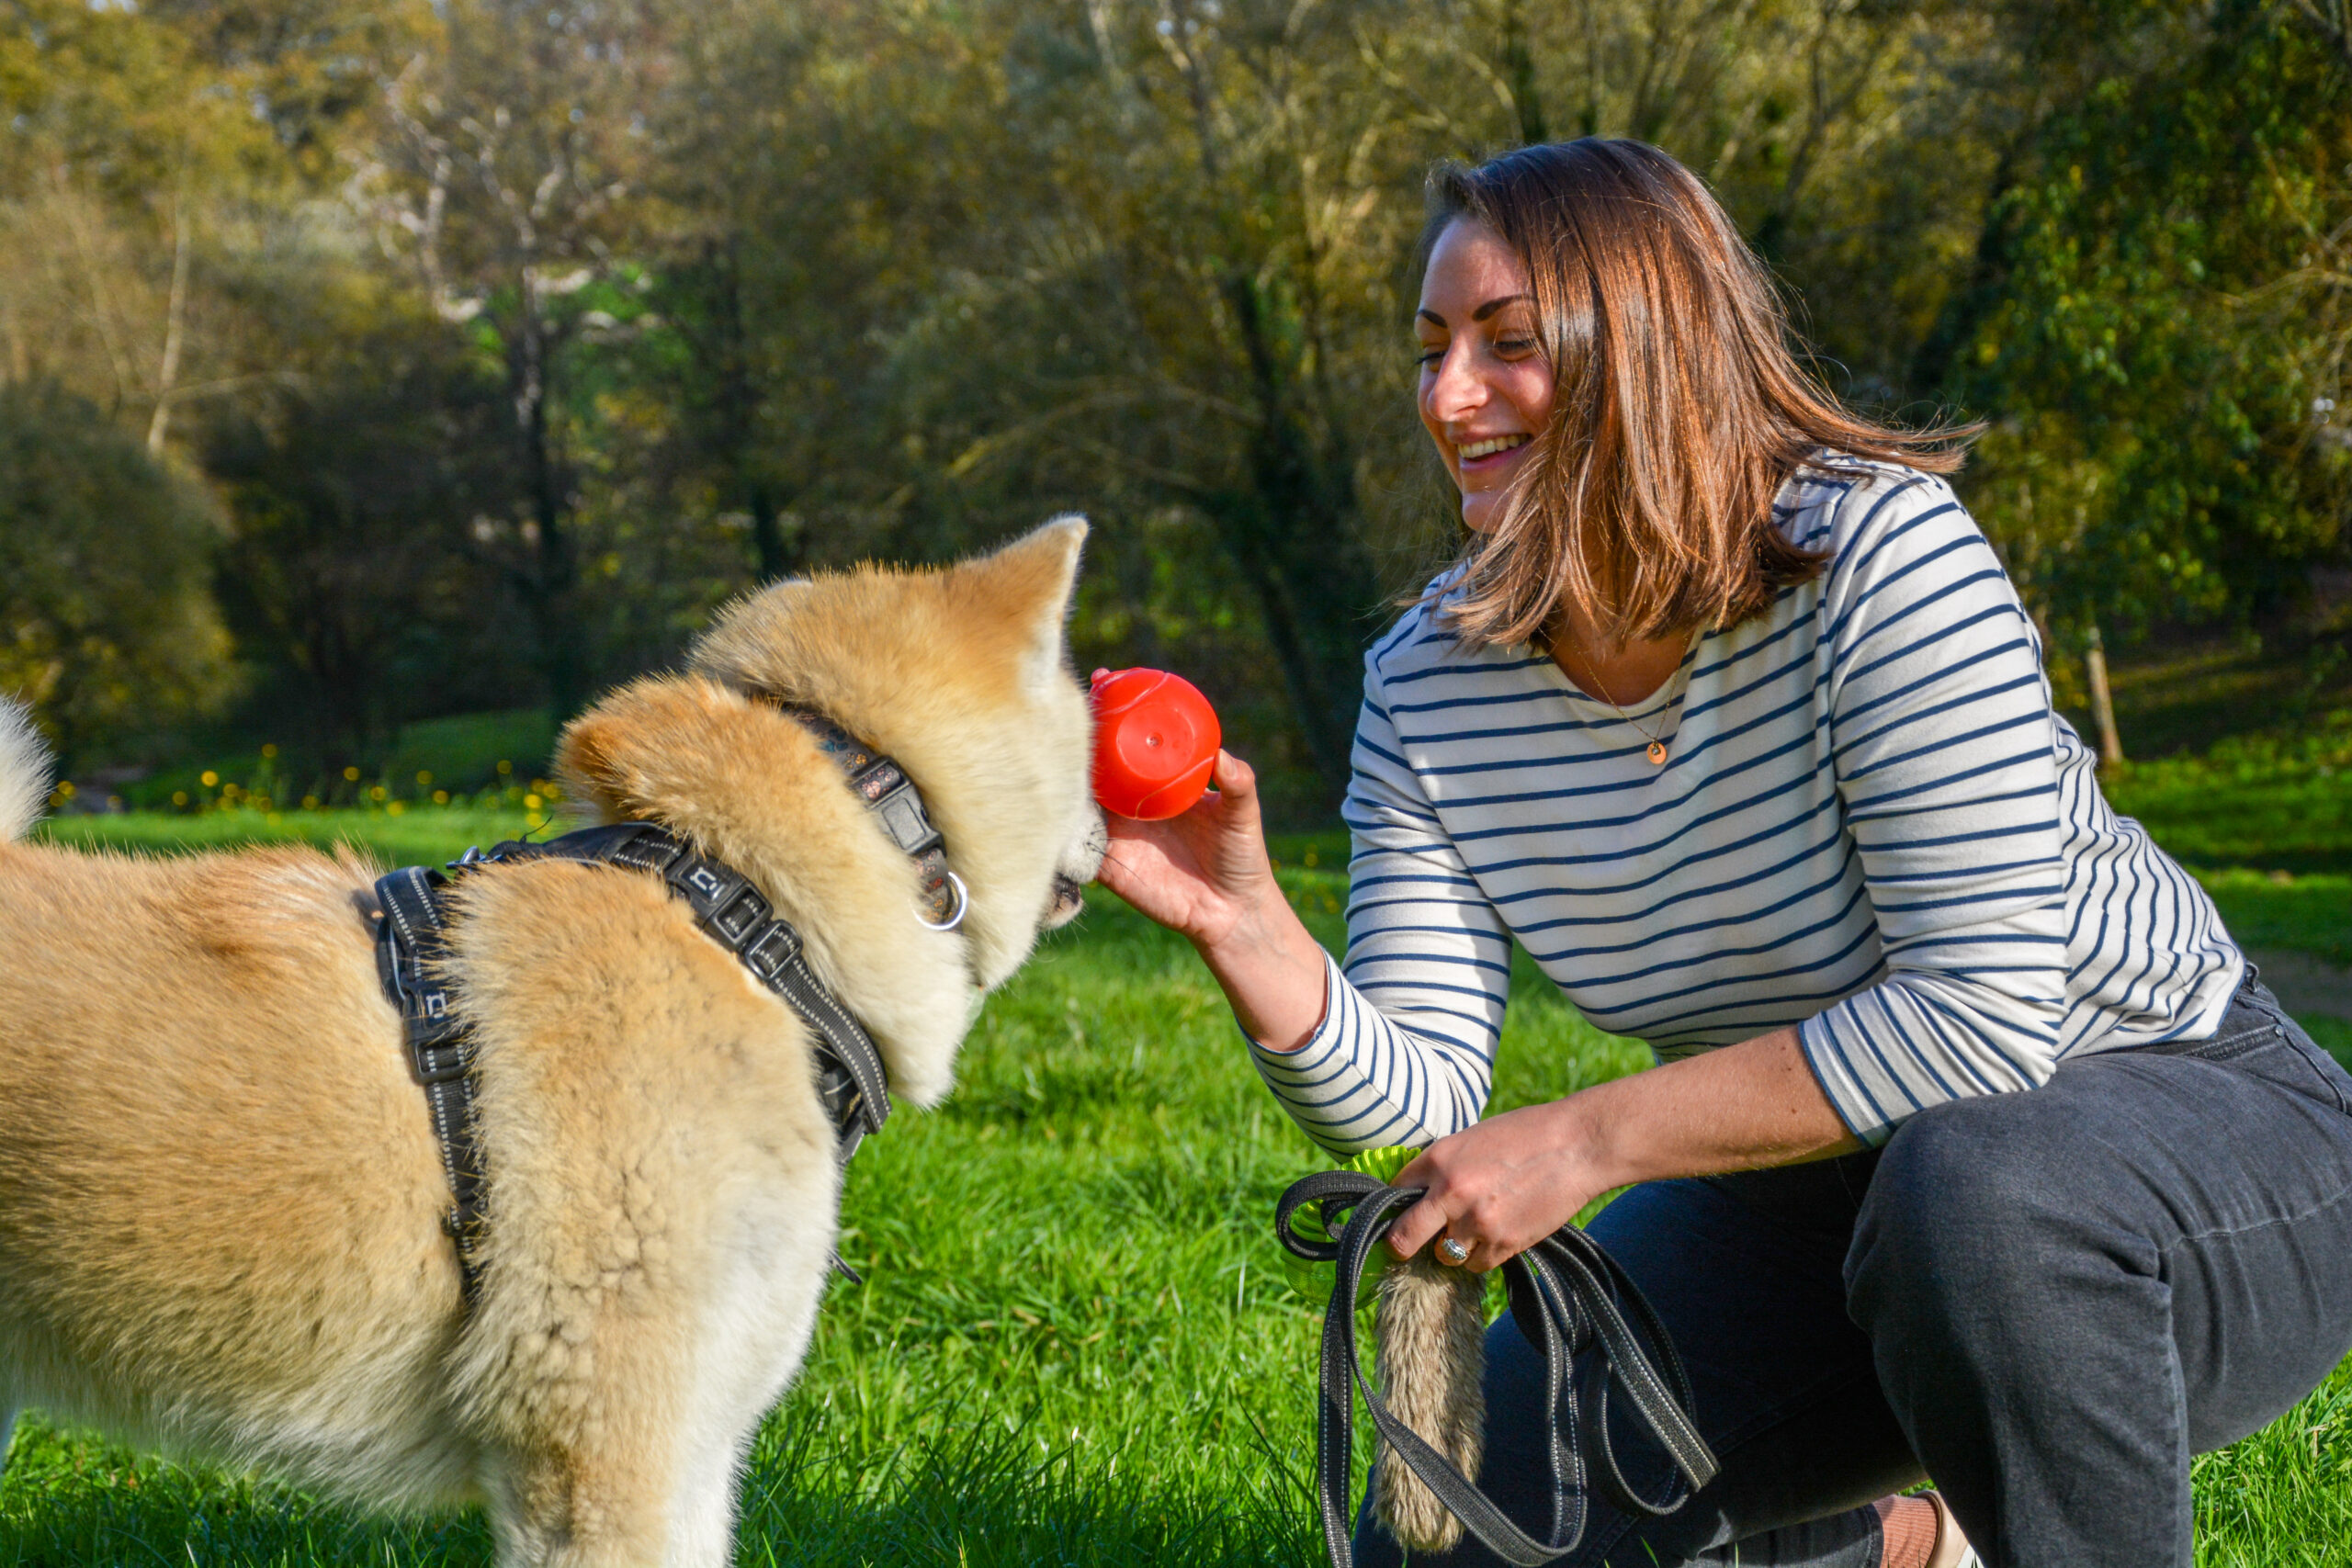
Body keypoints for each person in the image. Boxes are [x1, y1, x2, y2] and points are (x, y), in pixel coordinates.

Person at [1096, 138, 2352, 1568]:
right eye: (1432, 348)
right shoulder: (1429, 682)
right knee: (1459, 1538)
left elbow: (1982, 1021)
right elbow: (1426, 1095)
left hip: (2174, 1140)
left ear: (1651, 351)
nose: (1450, 398)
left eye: (1510, 346)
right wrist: (1249, 929)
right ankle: (1896, 1547)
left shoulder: (1883, 557)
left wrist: (1580, 1141)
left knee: (1980, 1197)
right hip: (1819, 1188)